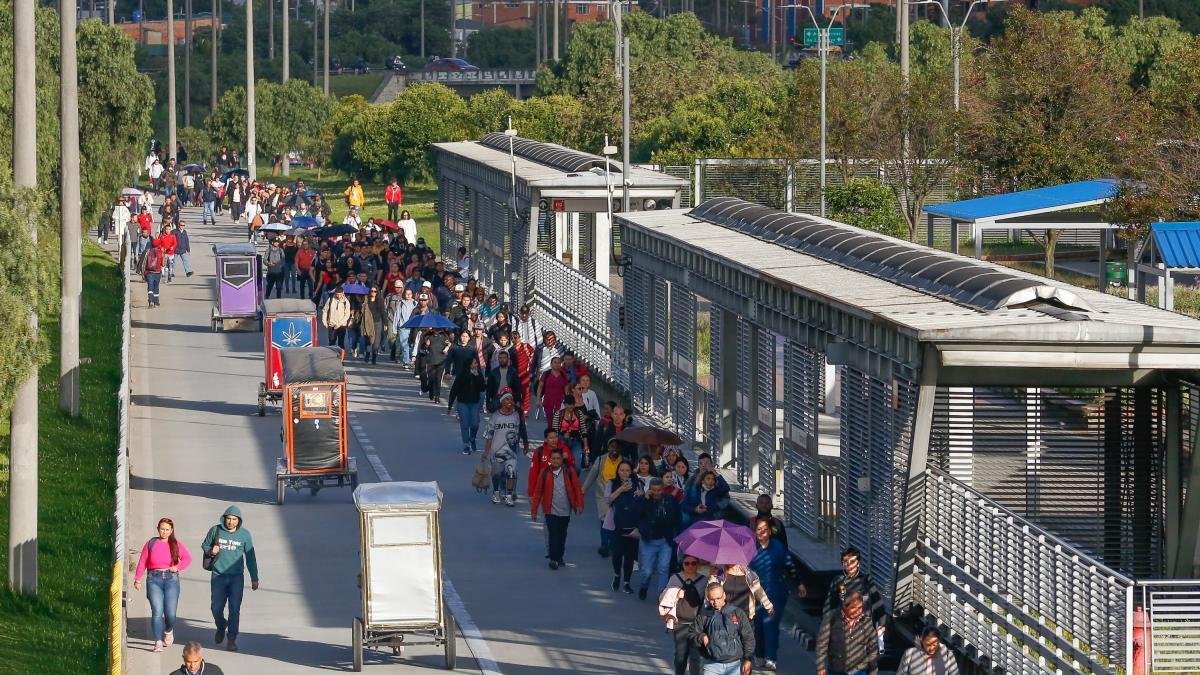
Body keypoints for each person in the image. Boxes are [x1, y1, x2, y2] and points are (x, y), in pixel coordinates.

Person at [201, 505, 259, 652]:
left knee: (234, 609)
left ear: (238, 520)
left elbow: (250, 557)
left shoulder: (244, 535)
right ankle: (221, 625)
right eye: (228, 519)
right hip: (218, 575)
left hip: (236, 578)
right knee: (216, 607)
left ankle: (232, 639)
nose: (231, 522)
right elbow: (205, 544)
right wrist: (211, 551)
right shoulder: (216, 530)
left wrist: (254, 578)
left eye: (234, 519)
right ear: (224, 518)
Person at [749, 519, 805, 671]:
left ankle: (771, 657)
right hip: (756, 595)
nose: (761, 532)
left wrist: (799, 583)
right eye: (758, 529)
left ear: (769, 531)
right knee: (759, 626)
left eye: (764, 529)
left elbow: (790, 565)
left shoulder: (778, 547)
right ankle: (759, 654)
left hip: (776, 593)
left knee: (771, 624)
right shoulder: (750, 548)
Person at [134, 517, 192, 652]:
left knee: (170, 614)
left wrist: (178, 567)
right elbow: (143, 561)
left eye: (167, 530)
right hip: (154, 579)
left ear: (171, 531)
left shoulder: (176, 544)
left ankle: (168, 630)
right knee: (157, 611)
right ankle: (158, 641)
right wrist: (138, 579)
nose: (164, 532)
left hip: (171, 579)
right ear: (158, 529)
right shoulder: (151, 543)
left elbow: (187, 558)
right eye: (162, 529)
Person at [529, 446, 584, 570]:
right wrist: (534, 511)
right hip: (550, 510)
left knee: (562, 534)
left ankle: (560, 556)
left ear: (562, 460)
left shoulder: (569, 471)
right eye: (553, 458)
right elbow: (538, 492)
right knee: (553, 534)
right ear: (550, 460)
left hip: (565, 511)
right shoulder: (544, 473)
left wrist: (579, 504)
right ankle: (553, 559)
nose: (555, 461)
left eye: (558, 458)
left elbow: (577, 488)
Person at [823, 547, 887, 650]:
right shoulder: (838, 581)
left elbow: (878, 603)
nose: (849, 565)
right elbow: (829, 605)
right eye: (845, 561)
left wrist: (882, 624)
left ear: (858, 563)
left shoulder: (866, 581)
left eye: (852, 561)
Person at [633, 477, 682, 601]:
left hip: (665, 540)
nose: (656, 493)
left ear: (663, 489)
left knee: (663, 567)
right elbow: (636, 514)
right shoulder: (644, 500)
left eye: (659, 490)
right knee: (647, 570)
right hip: (648, 540)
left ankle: (661, 595)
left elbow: (677, 517)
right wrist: (645, 499)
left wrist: (676, 535)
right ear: (649, 489)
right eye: (653, 490)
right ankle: (644, 585)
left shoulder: (670, 500)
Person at [691, 583, 755, 675]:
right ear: (708, 598)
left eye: (718, 598)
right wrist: (702, 637)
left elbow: (748, 637)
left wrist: (748, 659)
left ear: (724, 595)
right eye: (712, 599)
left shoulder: (737, 613)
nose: (716, 602)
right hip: (711, 665)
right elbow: (691, 635)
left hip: (734, 665)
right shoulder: (703, 615)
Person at [664, 554, 708, 675]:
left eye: (693, 563)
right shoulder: (675, 578)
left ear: (697, 565)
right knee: (680, 655)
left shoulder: (704, 580)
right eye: (686, 563)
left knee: (696, 657)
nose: (690, 566)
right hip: (680, 622)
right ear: (682, 565)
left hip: (697, 623)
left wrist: (714, 579)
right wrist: (676, 594)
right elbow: (664, 598)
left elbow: (708, 600)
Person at [815, 591, 879, 675]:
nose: (858, 611)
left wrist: (873, 671)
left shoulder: (866, 622)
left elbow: (872, 649)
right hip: (836, 669)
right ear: (844, 606)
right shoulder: (831, 618)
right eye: (853, 608)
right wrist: (820, 666)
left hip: (859, 670)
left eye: (860, 608)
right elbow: (822, 644)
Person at [482, 390, 528, 506]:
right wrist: (486, 452)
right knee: (497, 474)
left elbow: (520, 430)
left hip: (512, 451)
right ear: (502, 402)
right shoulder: (495, 417)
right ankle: (496, 492)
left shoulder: (516, 416)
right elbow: (489, 435)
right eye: (507, 399)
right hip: (496, 451)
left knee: (511, 472)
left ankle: (508, 495)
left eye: (511, 399)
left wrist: (525, 442)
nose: (510, 402)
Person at [581, 439, 624, 558]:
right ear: (608, 447)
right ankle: (604, 545)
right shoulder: (601, 460)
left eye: (616, 447)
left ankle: (613, 544)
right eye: (611, 446)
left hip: (619, 494)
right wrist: (583, 490)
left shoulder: (624, 461)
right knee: (605, 519)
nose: (614, 449)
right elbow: (592, 476)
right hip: (602, 494)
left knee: (616, 520)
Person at [446, 358, 486, 454]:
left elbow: (482, 388)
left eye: (477, 363)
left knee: (475, 424)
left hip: (474, 403)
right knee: (464, 424)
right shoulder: (461, 375)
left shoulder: (478, 374)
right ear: (469, 364)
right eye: (474, 363)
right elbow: (454, 391)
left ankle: (472, 438)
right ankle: (466, 445)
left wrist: (477, 377)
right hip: (462, 403)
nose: (476, 365)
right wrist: (450, 406)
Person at [385, 286, 417, 365]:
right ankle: (406, 361)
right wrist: (395, 328)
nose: (408, 295)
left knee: (412, 344)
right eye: (407, 294)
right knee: (404, 345)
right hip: (403, 327)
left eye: (410, 294)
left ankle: (411, 359)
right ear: (404, 294)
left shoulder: (415, 303)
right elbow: (397, 316)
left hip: (413, 327)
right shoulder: (401, 303)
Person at [486, 348, 522, 412]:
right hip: (497, 399)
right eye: (500, 358)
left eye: (504, 358)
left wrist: (518, 401)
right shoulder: (493, 372)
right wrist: (488, 403)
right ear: (498, 359)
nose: (502, 360)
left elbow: (518, 388)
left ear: (508, 359)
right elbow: (489, 389)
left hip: (510, 399)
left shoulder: (513, 372)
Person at [537, 356, 570, 422]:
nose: (557, 364)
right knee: (550, 420)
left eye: (559, 363)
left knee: (557, 421)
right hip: (548, 401)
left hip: (560, 402)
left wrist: (568, 401)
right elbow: (540, 387)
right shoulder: (546, 374)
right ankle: (550, 432)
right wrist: (538, 399)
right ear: (551, 364)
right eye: (555, 362)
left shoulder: (564, 375)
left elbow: (566, 389)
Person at [359, 286, 386, 364]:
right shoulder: (366, 299)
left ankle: (374, 357)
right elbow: (362, 310)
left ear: (377, 292)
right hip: (368, 322)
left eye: (375, 291)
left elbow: (383, 312)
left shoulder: (380, 300)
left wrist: (385, 323)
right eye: (372, 291)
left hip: (377, 322)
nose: (373, 293)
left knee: (376, 342)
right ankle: (367, 354)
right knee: (368, 339)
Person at [143, 237, 165, 308]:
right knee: (156, 287)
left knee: (150, 287)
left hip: (149, 272)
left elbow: (143, 262)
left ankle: (150, 301)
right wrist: (163, 254)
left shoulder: (148, 251)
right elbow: (163, 264)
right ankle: (156, 301)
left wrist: (143, 273)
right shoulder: (160, 252)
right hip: (158, 272)